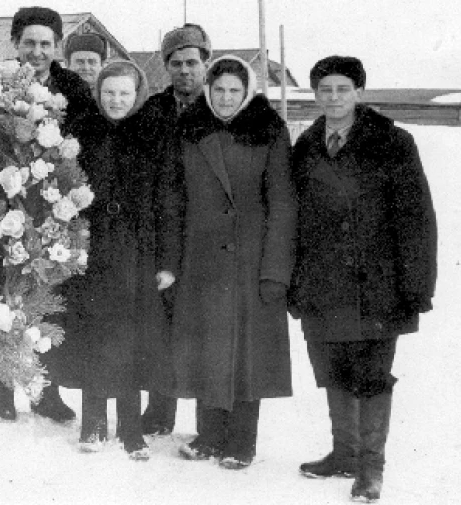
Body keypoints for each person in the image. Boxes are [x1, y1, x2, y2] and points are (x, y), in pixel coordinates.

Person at [289, 56, 437, 501]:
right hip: (321, 282)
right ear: (315, 95)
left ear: (359, 93)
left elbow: (417, 218)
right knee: (332, 369)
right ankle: (344, 454)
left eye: (342, 89)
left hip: (378, 284)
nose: (333, 98)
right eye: (325, 90)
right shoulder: (308, 144)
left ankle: (371, 470)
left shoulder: (392, 142)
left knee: (372, 375)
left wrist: (416, 285)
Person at [0, 6, 96, 423]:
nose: (37, 51)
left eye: (46, 44)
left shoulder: (73, 89)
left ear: (57, 48)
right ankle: (1, 394)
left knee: (46, 304)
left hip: (52, 213)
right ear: (15, 44)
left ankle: (43, 392)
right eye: (29, 42)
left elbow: (84, 151)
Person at [169, 55, 296, 470]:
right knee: (208, 349)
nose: (225, 99)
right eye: (219, 90)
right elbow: (175, 196)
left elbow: (282, 203)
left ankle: (242, 442)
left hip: (251, 258)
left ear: (248, 93)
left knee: (247, 355)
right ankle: (209, 436)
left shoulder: (269, 130)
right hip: (201, 258)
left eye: (234, 91)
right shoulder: (190, 128)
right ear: (208, 90)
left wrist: (275, 270)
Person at [58, 60, 182, 461]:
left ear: (138, 95)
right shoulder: (81, 129)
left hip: (136, 247)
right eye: (109, 92)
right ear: (98, 93)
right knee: (94, 332)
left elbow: (169, 198)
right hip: (88, 245)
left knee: (131, 336)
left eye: (124, 93)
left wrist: (167, 260)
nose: (116, 100)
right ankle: (93, 421)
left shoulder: (154, 133)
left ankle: (131, 428)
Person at [138, 22, 211, 437]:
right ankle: (159, 410)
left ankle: (207, 420)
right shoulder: (154, 111)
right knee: (160, 325)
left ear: (207, 63)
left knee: (202, 329)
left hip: (205, 234)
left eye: (192, 62)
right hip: (163, 231)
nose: (185, 71)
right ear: (166, 66)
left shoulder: (221, 107)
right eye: (176, 63)